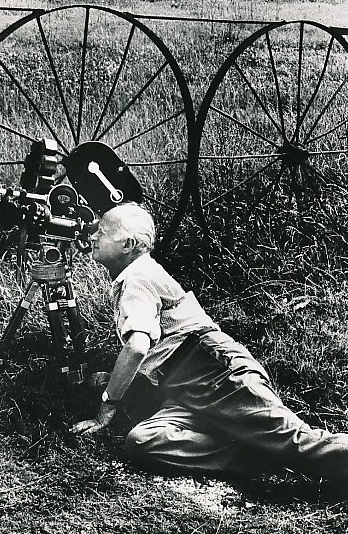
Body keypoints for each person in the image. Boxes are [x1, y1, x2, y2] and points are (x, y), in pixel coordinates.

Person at [70, 202, 348, 485]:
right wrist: (115, 380)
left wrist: (107, 407)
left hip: (219, 375)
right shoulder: (138, 274)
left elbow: (138, 347)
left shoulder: (138, 280)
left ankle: (274, 449)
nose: (92, 236)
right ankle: (255, 453)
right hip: (185, 387)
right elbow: (157, 350)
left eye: (101, 232)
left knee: (298, 443)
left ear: (128, 244)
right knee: (143, 441)